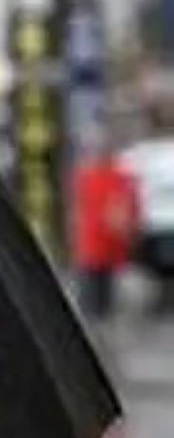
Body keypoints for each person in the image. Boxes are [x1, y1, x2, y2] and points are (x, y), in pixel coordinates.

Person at [70, 134, 138, 322]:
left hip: (96, 247)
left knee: (95, 304)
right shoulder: (118, 178)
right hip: (100, 247)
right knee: (102, 302)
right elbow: (126, 213)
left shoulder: (87, 177)